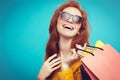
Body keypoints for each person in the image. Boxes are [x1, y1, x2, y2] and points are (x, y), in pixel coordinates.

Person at [37, 0, 90, 80]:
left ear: (79, 29)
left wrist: (65, 66)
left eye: (77, 19)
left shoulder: (87, 59)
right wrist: (40, 78)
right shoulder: (50, 60)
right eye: (65, 15)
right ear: (56, 22)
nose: (70, 20)